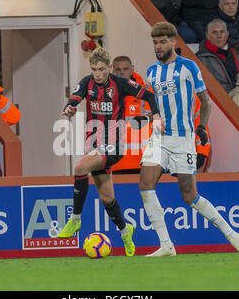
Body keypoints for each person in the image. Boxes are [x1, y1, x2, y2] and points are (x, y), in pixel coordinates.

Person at [140, 21, 239, 257]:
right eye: (155, 43)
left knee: (189, 195)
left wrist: (201, 126)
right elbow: (152, 105)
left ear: (173, 42)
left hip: (184, 138)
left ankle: (231, 233)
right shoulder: (151, 72)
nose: (158, 46)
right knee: (146, 185)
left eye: (162, 42)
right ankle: (166, 244)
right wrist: (149, 115)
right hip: (159, 137)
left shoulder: (188, 66)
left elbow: (206, 100)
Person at [57, 47, 163, 257]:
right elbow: (75, 98)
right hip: (94, 143)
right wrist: (69, 108)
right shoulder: (87, 82)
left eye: (102, 69)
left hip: (115, 143)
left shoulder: (121, 83)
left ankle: (75, 219)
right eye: (95, 69)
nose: (98, 73)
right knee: (107, 197)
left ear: (109, 68)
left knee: (80, 167)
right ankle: (126, 231)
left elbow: (149, 95)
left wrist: (157, 115)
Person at [111, 55, 152, 173]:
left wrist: (146, 118)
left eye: (125, 69)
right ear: (113, 71)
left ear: (132, 69)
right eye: (118, 70)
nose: (122, 73)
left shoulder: (146, 92)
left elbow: (158, 116)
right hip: (115, 161)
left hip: (142, 160)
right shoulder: (105, 95)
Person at [196, 19, 239, 93]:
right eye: (214, 32)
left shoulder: (237, 53)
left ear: (227, 34)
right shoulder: (200, 58)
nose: (219, 36)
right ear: (207, 36)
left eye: (222, 32)